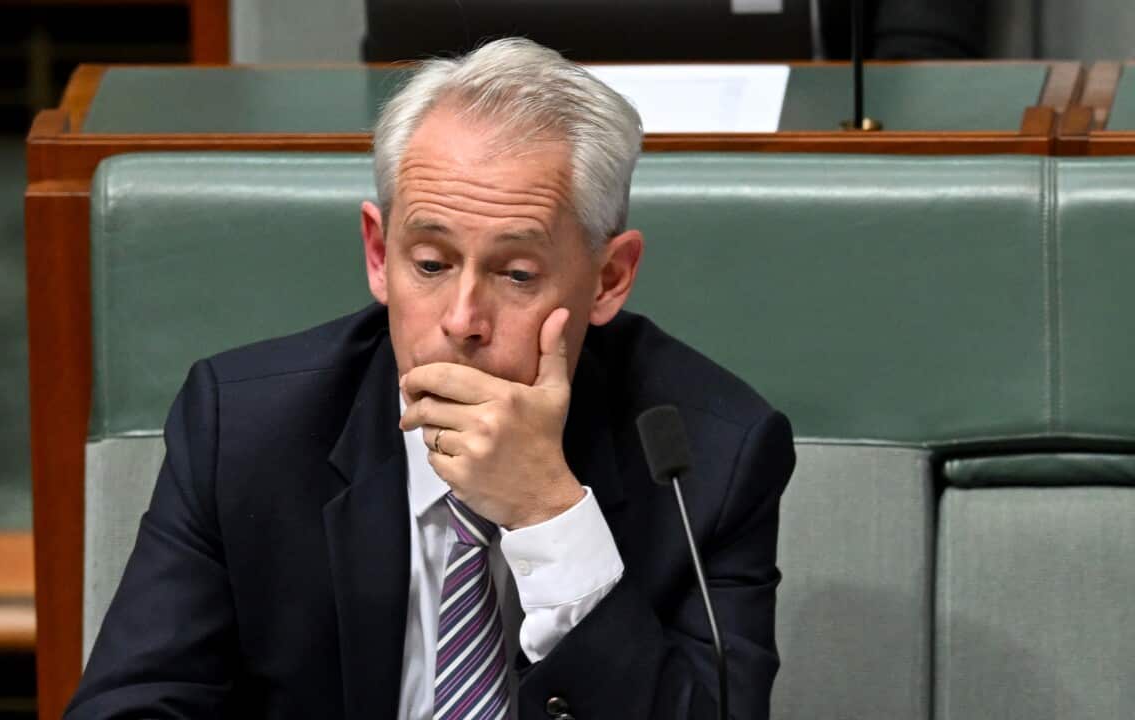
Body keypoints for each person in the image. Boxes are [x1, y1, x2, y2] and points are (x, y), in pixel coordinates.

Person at [66, 38, 795, 719]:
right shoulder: (244, 429)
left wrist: (551, 518)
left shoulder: (708, 457)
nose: (462, 319)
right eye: (432, 264)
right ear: (380, 255)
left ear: (609, 278)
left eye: (516, 274)